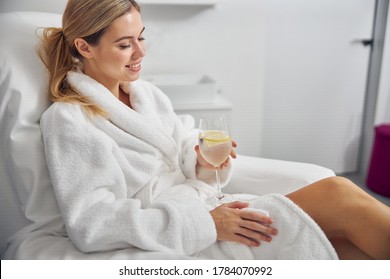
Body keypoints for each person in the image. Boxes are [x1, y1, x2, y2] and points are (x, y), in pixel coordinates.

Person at [34, 0, 389, 260]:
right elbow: (93, 224)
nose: (140, 52)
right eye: (125, 44)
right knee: (339, 195)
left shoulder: (145, 95)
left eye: (141, 38)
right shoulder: (70, 120)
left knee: (351, 251)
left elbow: (181, 143)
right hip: (190, 231)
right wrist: (205, 224)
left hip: (209, 209)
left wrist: (200, 158)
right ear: (84, 47)